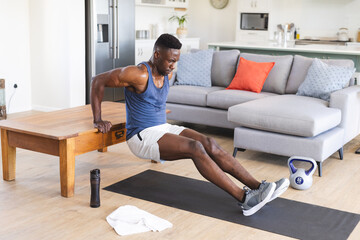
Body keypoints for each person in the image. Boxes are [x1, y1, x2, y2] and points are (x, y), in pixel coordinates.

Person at [90, 33, 289, 216]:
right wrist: (98, 118)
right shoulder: (138, 74)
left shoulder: (166, 72)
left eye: (176, 61)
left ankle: (257, 187)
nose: (173, 66)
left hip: (163, 128)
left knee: (209, 142)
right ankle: (245, 199)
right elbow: (98, 81)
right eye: (170, 60)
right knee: (196, 148)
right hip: (142, 136)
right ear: (157, 55)